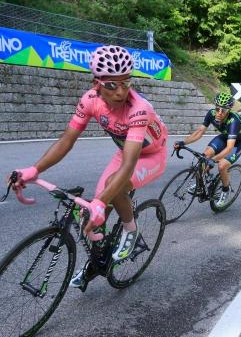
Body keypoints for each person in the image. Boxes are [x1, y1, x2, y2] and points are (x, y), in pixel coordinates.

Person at [12, 45, 168, 288]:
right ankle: (98, 261)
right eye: (111, 85)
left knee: (110, 189)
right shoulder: (90, 100)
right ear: (97, 83)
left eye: (126, 83)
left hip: (151, 156)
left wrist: (100, 200)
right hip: (124, 151)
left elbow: (128, 165)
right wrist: (34, 170)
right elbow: (66, 141)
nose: (120, 92)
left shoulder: (139, 109)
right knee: (96, 211)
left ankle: (130, 228)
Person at [174, 92, 241, 207]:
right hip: (226, 136)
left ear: (229, 111)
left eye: (223, 110)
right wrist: (182, 142)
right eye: (217, 109)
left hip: (240, 142)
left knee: (222, 166)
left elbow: (230, 147)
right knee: (204, 157)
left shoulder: (233, 121)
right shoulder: (211, 114)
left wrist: (214, 160)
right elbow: (199, 132)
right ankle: (200, 184)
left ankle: (226, 190)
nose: (219, 113)